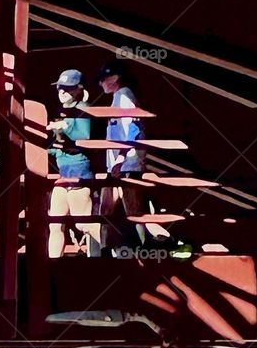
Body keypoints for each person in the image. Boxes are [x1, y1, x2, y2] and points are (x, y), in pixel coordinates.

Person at [95, 60, 172, 253]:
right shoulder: (120, 97)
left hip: (126, 164)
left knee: (131, 209)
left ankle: (143, 248)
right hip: (120, 164)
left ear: (114, 78)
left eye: (103, 79)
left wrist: (121, 158)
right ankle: (110, 248)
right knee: (110, 208)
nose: (100, 84)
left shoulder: (124, 96)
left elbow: (133, 128)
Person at [46, 68, 101, 258]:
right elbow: (55, 147)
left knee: (83, 223)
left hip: (79, 170)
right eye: (60, 88)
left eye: (67, 89)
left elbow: (83, 136)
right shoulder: (63, 111)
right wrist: (51, 144)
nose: (62, 92)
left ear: (79, 89)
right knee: (54, 223)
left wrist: (65, 127)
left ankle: (118, 249)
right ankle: (52, 262)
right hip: (63, 172)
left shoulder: (83, 109)